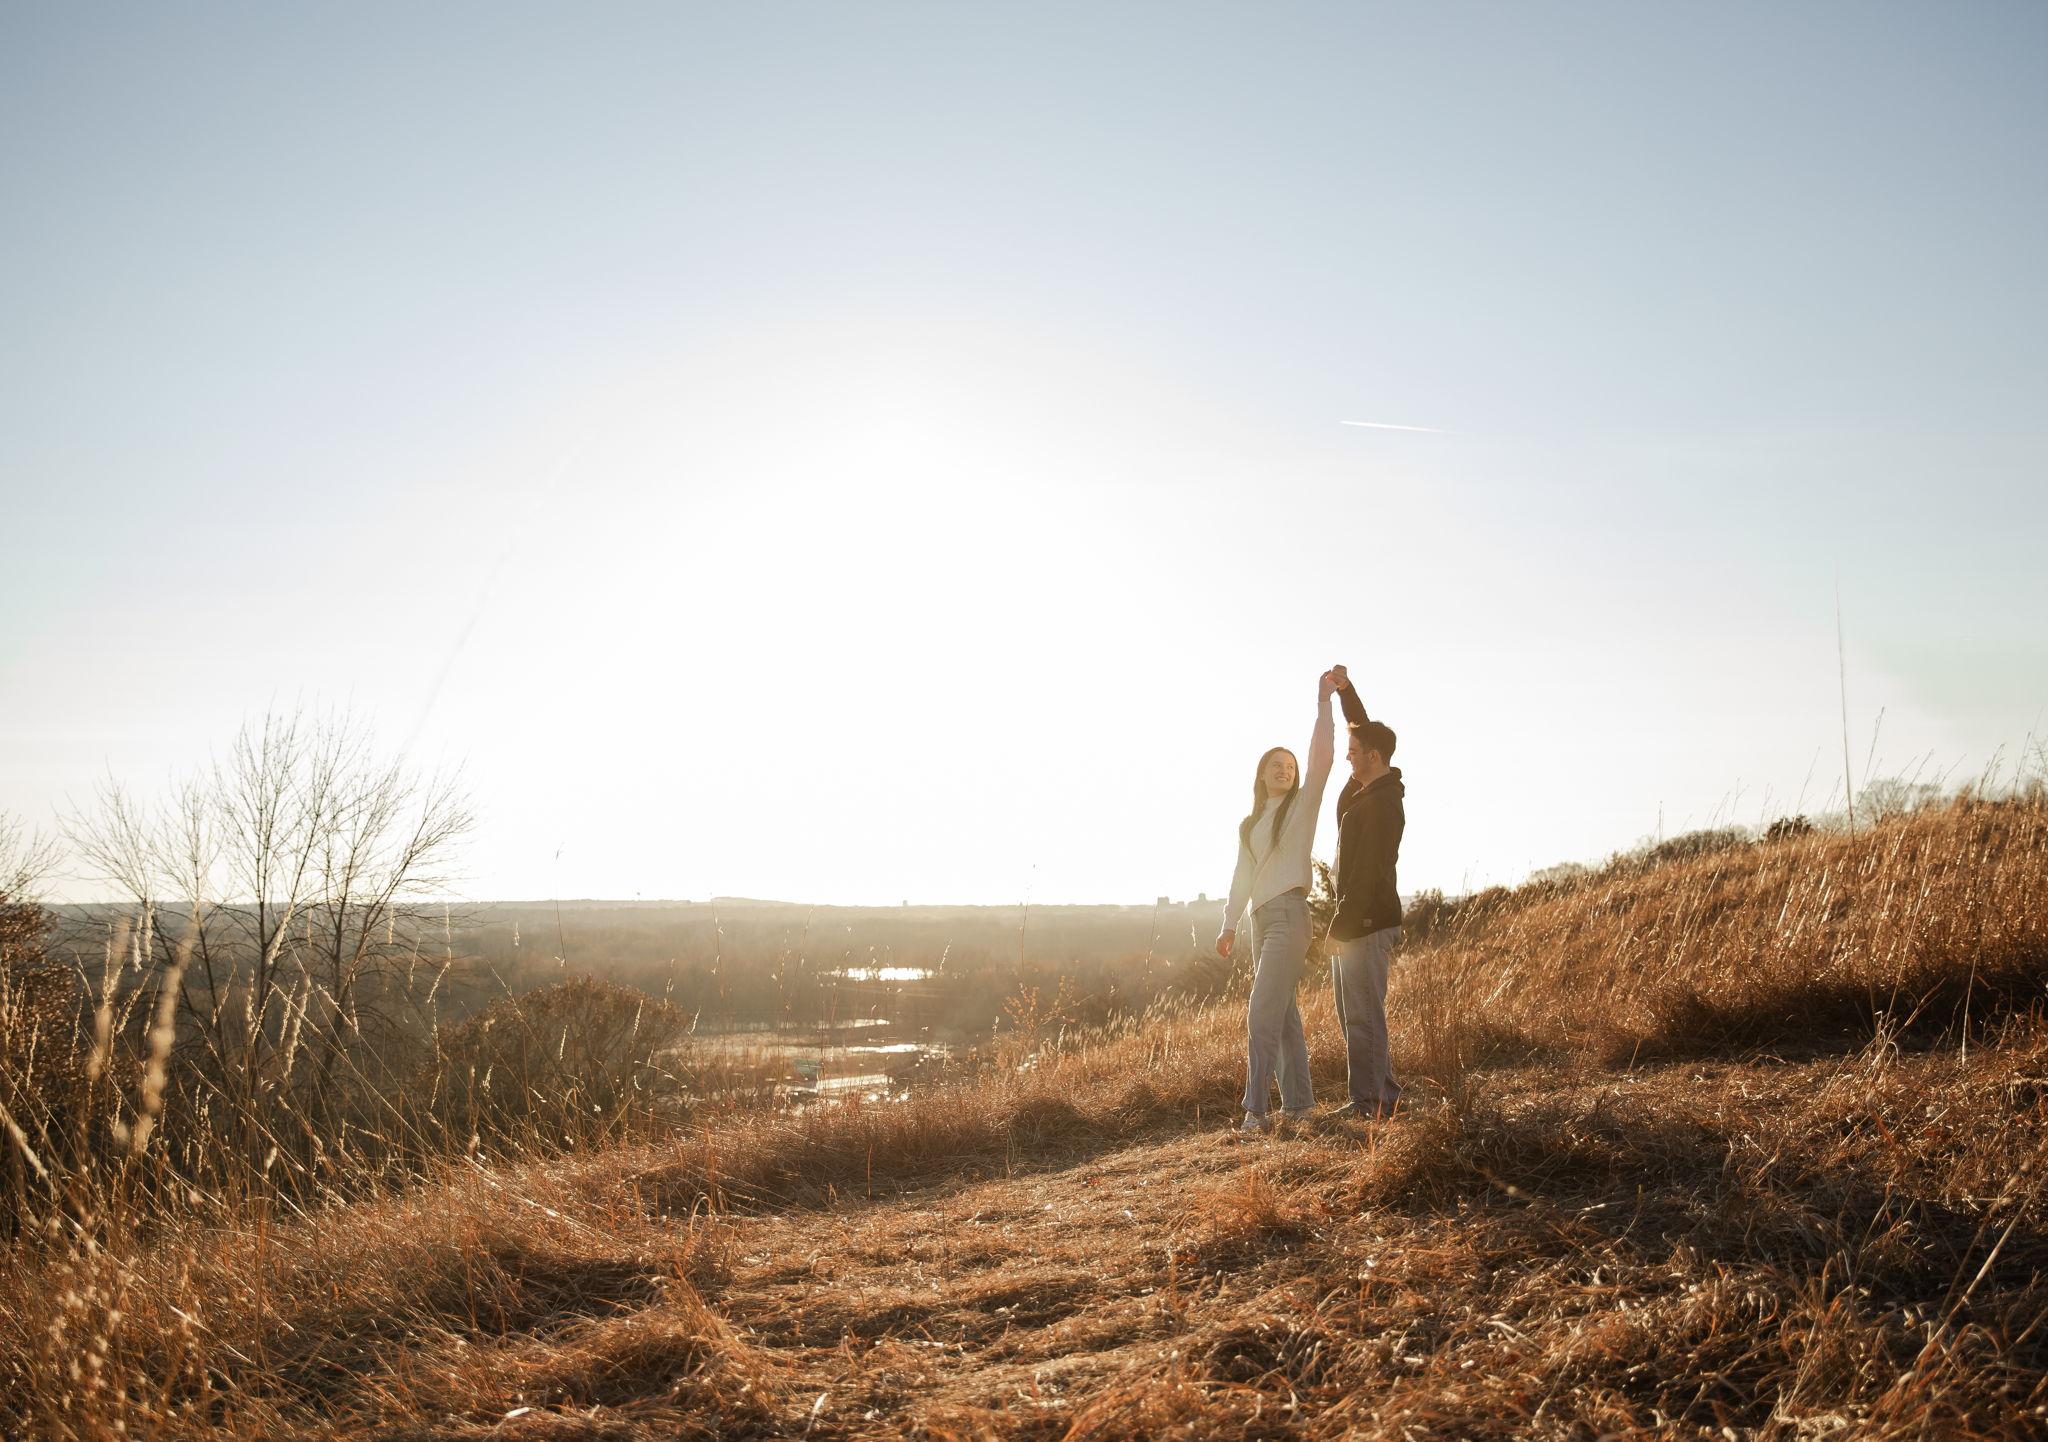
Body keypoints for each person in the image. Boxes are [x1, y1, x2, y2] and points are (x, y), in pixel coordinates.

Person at [1218, 670, 1337, 1133]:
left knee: (1261, 1009)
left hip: (1290, 914)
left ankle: (1256, 1111)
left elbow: (1322, 760)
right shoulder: (1249, 824)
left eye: (1290, 765)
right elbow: (1241, 875)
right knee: (1283, 1015)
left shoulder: (1302, 806)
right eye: (1276, 764)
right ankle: (1301, 1105)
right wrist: (1229, 924)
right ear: (1261, 773)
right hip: (1260, 921)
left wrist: (1324, 703)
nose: (1285, 769)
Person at [1328, 663, 1407, 1119]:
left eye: (1355, 751)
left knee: (1362, 1016)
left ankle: (1371, 1102)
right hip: (1358, 922)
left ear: (1374, 756)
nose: (1349, 756)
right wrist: (1347, 691)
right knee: (1355, 1014)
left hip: (1365, 922)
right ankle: (1384, 1092)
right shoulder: (1367, 789)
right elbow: (1362, 727)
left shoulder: (1382, 804)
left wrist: (1341, 928)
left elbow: (1365, 875)